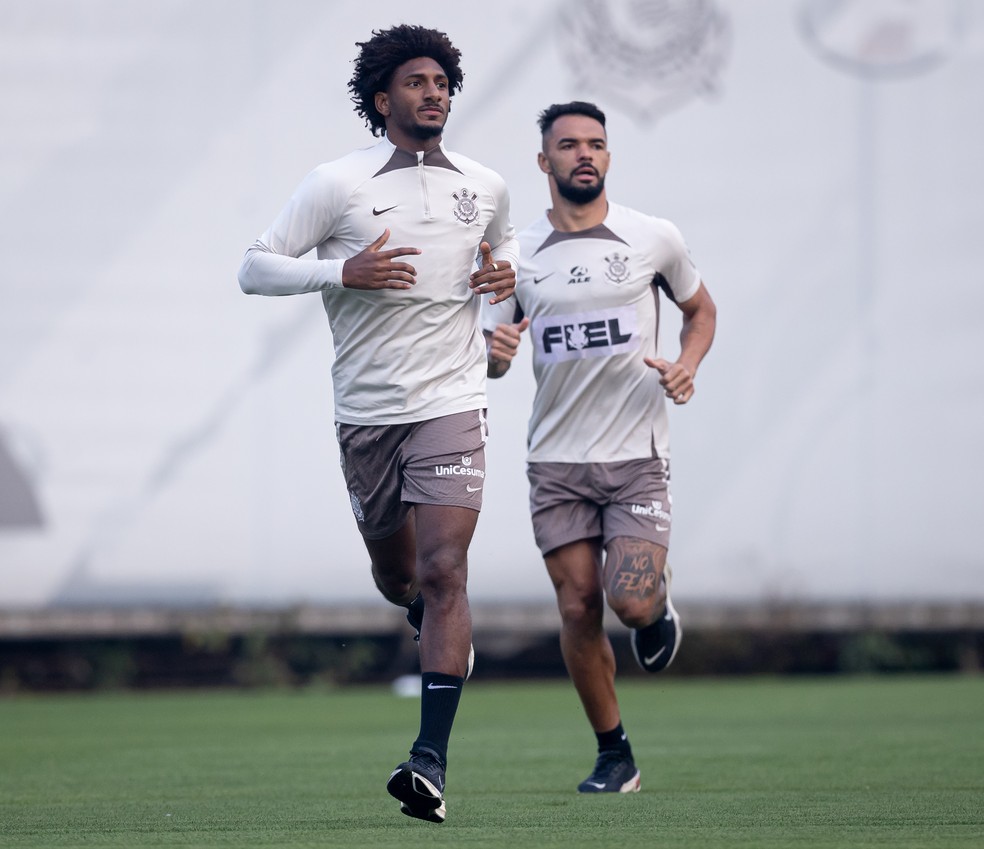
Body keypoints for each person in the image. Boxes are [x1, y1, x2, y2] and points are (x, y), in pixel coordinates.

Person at [238, 24, 518, 823]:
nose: (434, 93)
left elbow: (503, 260)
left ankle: (428, 760)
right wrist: (341, 270)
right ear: (382, 99)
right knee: (401, 578)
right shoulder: (337, 184)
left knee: (444, 571)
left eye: (442, 82)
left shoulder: (486, 185)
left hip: (452, 403)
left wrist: (501, 278)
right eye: (417, 82)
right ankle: (427, 619)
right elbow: (253, 266)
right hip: (367, 414)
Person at [483, 101, 716, 794]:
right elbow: (494, 355)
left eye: (596, 144)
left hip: (636, 457)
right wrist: (495, 354)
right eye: (569, 145)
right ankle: (615, 754)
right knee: (578, 607)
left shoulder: (652, 238)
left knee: (631, 602)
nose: (584, 154)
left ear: (608, 156)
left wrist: (686, 364)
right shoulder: (517, 256)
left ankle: (657, 605)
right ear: (543, 161)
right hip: (556, 463)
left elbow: (700, 310)